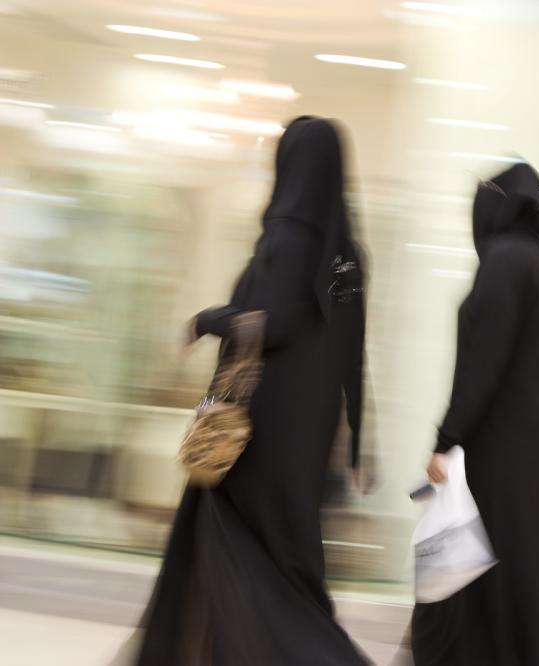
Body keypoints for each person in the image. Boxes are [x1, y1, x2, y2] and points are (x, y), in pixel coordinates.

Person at [121, 117, 370, 666]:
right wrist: (354, 443)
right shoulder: (345, 251)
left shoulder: (286, 236)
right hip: (307, 442)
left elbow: (268, 324)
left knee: (240, 560)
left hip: (255, 437)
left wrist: (207, 318)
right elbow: (354, 352)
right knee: (287, 566)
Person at [410, 162, 539, 666]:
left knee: (472, 577)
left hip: (503, 450)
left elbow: (482, 364)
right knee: (520, 580)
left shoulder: (507, 259)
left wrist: (446, 439)